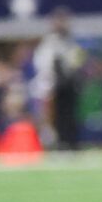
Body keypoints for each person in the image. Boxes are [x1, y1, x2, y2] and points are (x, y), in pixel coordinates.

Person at [30, 8, 85, 150]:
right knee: (54, 116)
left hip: (69, 85)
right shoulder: (50, 42)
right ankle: (58, 142)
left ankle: (70, 141)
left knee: (70, 114)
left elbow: (76, 62)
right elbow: (43, 65)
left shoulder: (71, 41)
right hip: (54, 85)